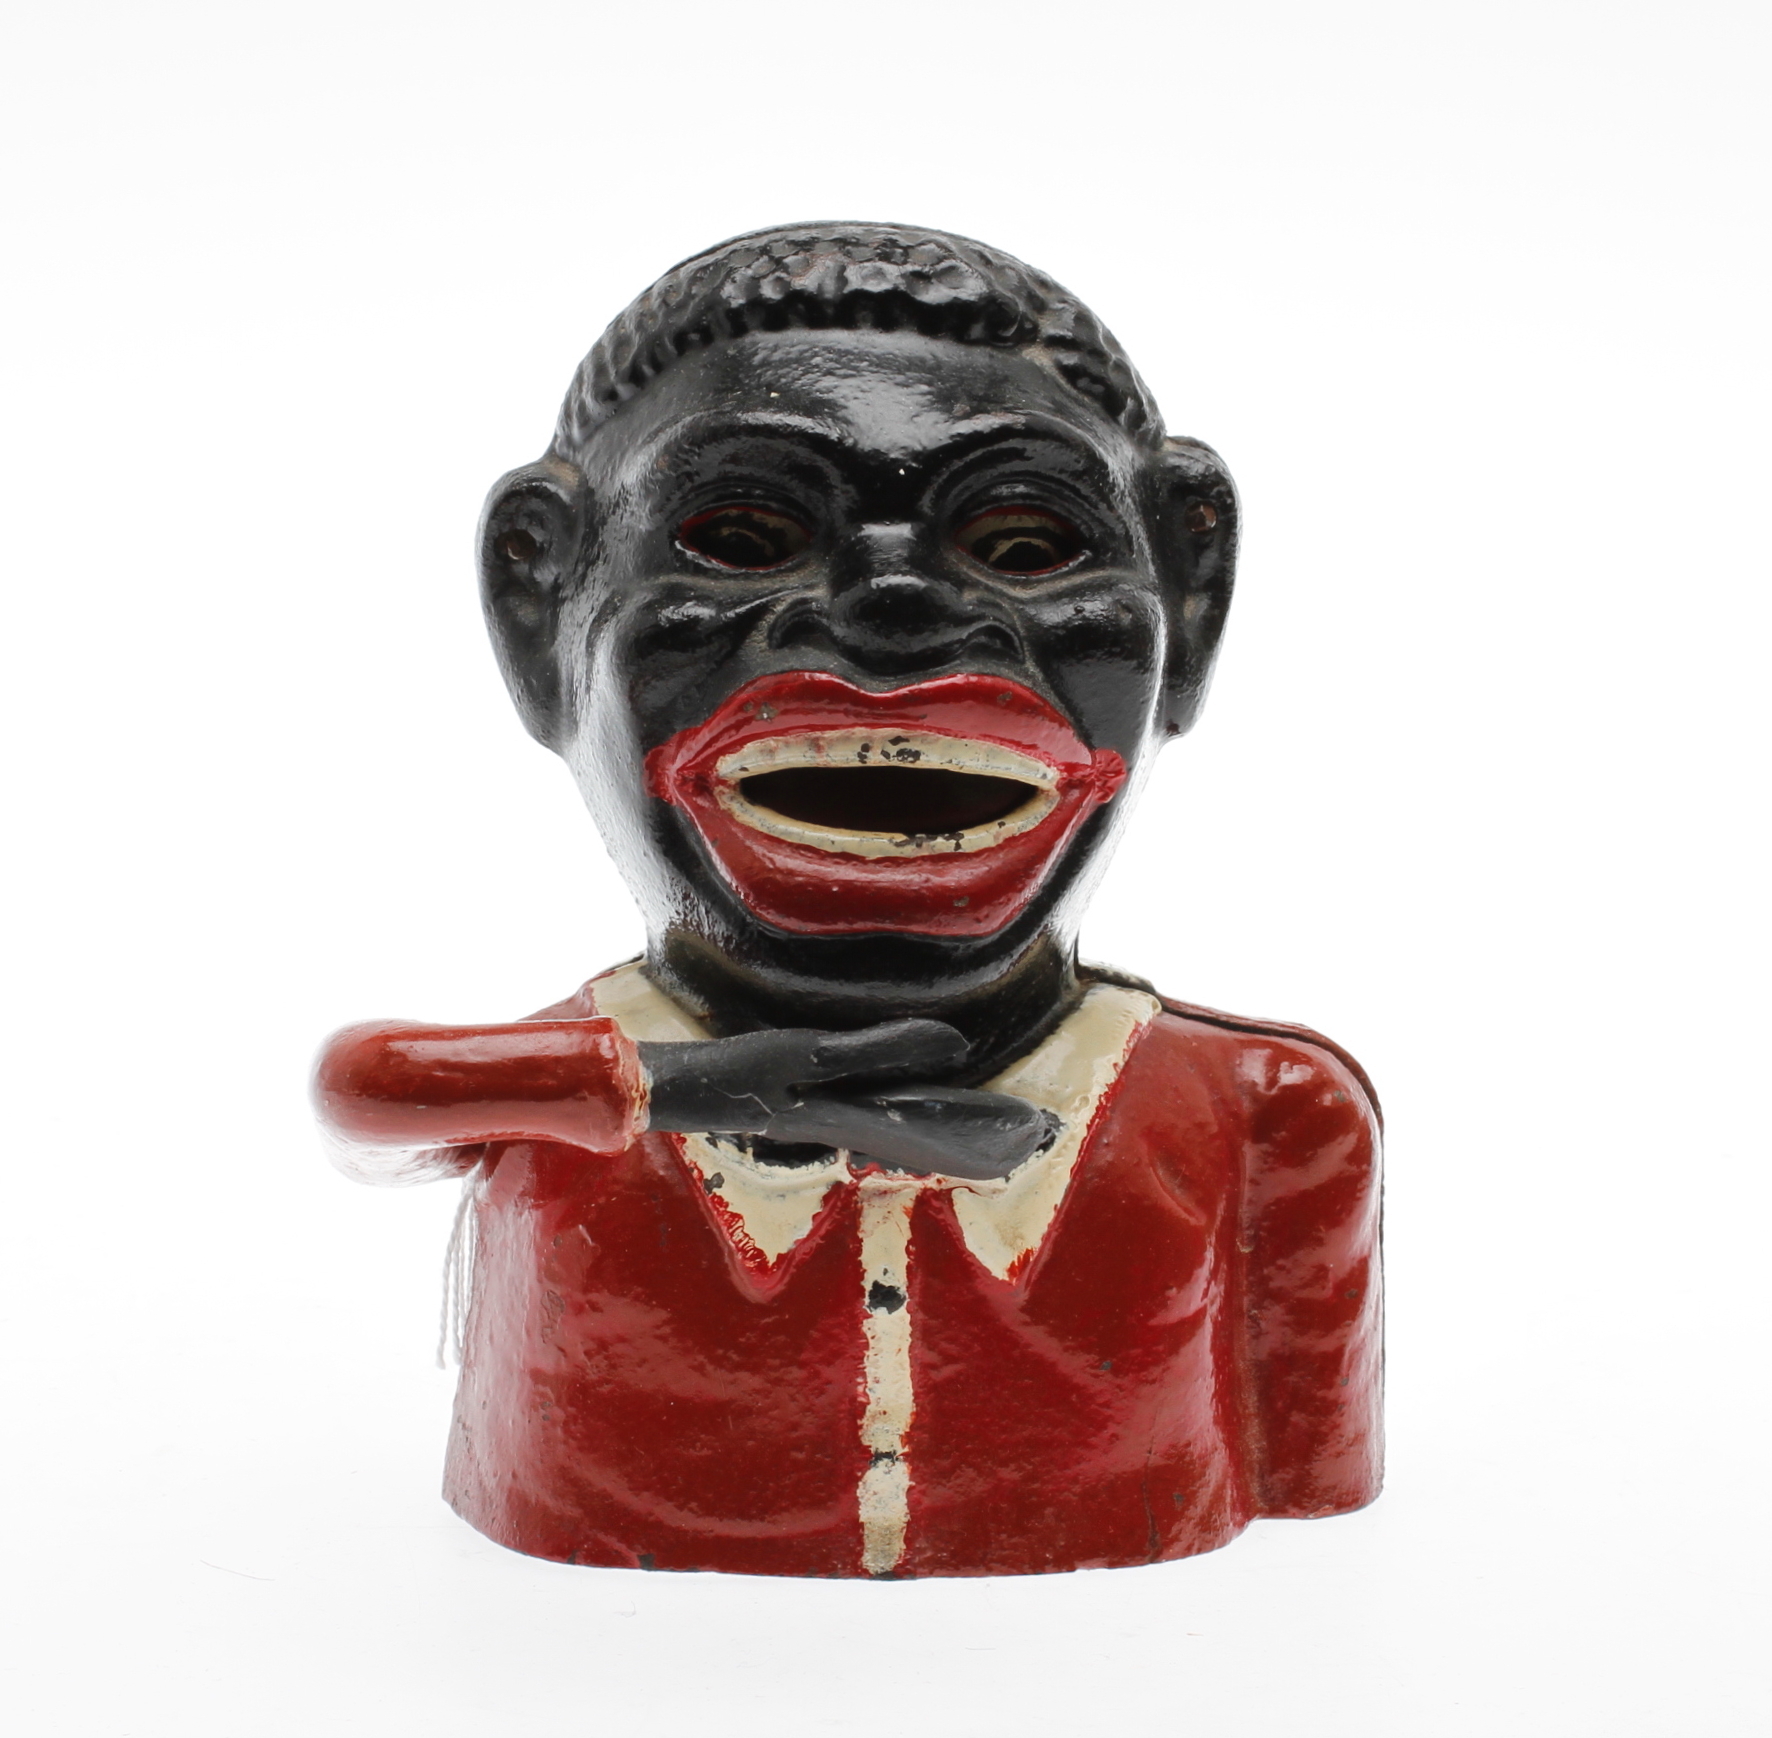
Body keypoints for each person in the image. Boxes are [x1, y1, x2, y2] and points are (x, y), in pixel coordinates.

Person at [314, 224, 1382, 1579]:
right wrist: (692, 1088)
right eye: (738, 538)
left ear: (1189, 598)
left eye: (1027, 541)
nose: (893, 613)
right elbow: (372, 1092)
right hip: (587, 1662)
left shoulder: (1268, 1117)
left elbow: (1320, 1499)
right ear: (542, 609)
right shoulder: (564, 1099)